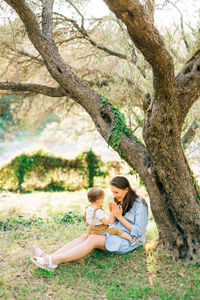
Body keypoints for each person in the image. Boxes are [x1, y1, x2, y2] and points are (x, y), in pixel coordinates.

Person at [30, 176, 148, 271]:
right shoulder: (121, 199)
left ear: (126, 189)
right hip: (115, 232)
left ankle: (53, 261)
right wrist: (112, 215)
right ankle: (49, 257)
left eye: (116, 192)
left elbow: (138, 232)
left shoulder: (140, 204)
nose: (114, 196)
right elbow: (112, 223)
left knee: (93, 240)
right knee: (85, 236)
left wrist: (119, 217)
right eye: (112, 192)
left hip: (130, 240)